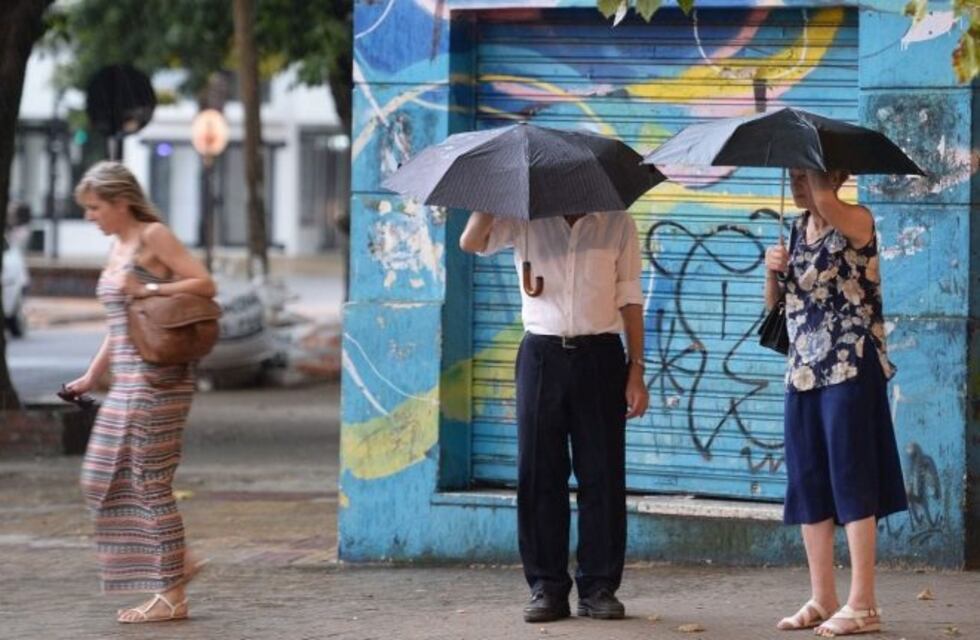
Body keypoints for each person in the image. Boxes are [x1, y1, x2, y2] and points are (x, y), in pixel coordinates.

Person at [460, 210, 649, 623]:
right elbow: (471, 243)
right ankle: (546, 586)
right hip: (541, 354)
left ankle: (599, 586)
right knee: (539, 474)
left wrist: (636, 369)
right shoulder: (525, 218)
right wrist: (488, 201)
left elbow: (630, 296)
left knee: (602, 474)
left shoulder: (617, 222)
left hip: (600, 355)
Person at [65, 161, 216, 623]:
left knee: (150, 482)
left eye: (95, 207)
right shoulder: (117, 246)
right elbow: (120, 324)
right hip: (127, 380)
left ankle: (171, 594)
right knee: (99, 477)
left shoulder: (153, 236)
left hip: (158, 379)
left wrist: (146, 286)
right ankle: (180, 558)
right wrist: (93, 376)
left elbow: (206, 284)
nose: (90, 217)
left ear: (120, 202)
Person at [764, 169, 908, 637]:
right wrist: (773, 271)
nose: (797, 184)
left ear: (836, 175)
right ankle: (822, 596)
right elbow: (776, 310)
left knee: (852, 477)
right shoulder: (796, 229)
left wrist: (823, 186)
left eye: (806, 174)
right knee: (809, 481)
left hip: (850, 364)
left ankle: (863, 603)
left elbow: (831, 206)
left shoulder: (856, 220)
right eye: (793, 175)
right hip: (803, 369)